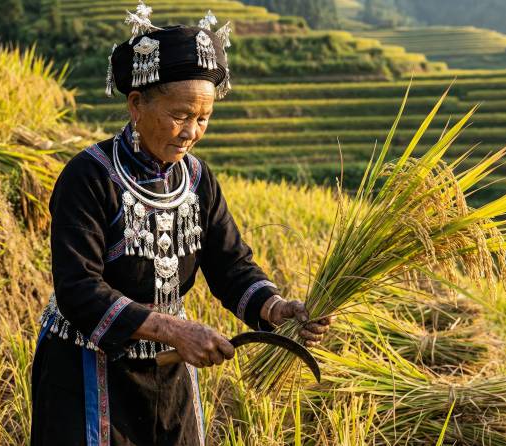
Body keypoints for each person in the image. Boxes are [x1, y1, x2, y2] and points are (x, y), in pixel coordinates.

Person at [30, 4, 334, 445]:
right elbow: (79, 289)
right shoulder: (89, 177)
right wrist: (173, 328)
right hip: (87, 372)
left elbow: (231, 266)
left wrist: (274, 309)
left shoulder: (197, 179)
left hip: (170, 370)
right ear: (136, 104)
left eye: (203, 118)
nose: (191, 131)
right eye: (180, 115)